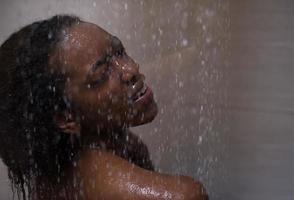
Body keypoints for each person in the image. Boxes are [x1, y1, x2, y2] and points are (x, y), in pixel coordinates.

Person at [0, 15, 208, 200]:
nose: (131, 70)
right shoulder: (90, 176)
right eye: (101, 75)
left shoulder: (111, 144)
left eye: (120, 52)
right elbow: (187, 195)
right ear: (65, 117)